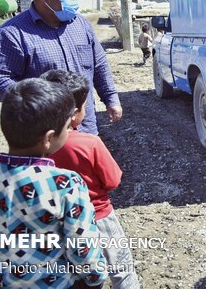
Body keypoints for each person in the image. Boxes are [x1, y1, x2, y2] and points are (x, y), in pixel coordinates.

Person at [0, 78, 106, 287]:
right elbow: (82, 246)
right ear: (48, 138)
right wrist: (95, 278)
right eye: (67, 126)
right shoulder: (66, 183)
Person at [0, 0, 122, 135]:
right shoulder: (12, 34)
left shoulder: (81, 25)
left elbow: (99, 64)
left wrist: (111, 99)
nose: (74, 2)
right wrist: (41, 107)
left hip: (85, 129)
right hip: (42, 137)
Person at [42, 70, 140, 289]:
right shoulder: (89, 143)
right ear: (76, 113)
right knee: (121, 271)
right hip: (99, 217)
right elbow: (113, 181)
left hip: (55, 223)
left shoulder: (36, 145)